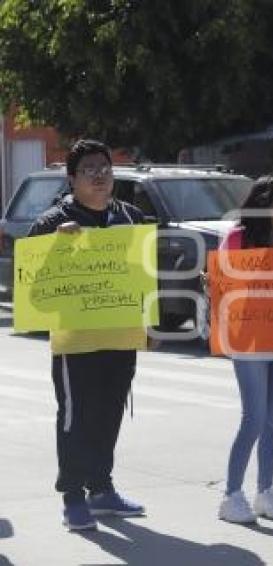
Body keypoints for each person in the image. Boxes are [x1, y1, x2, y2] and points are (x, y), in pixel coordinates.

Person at [27, 139, 146, 531]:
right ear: (72, 178)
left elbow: (143, 276)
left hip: (121, 335)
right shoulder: (51, 223)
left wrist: (151, 321)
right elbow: (33, 286)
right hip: (75, 342)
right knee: (75, 418)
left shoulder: (130, 218)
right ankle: (73, 497)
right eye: (89, 169)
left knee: (110, 413)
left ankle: (101, 489)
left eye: (105, 168)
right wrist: (59, 248)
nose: (99, 176)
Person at [217, 177, 273, 524]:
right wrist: (214, 280)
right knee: (254, 418)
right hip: (249, 337)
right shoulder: (237, 238)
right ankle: (231, 495)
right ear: (265, 202)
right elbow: (223, 282)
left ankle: (265, 490)